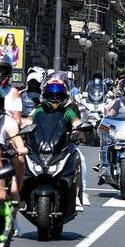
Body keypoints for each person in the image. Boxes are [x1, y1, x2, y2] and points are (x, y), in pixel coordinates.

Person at [32, 80, 89, 208]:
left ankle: (79, 194)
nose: (55, 100)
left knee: (80, 159)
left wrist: (80, 129)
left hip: (63, 146)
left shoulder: (67, 111)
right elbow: (28, 122)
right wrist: (21, 128)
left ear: (64, 98)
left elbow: (76, 122)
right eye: (51, 96)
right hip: (41, 146)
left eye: (58, 97)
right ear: (45, 97)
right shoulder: (39, 110)